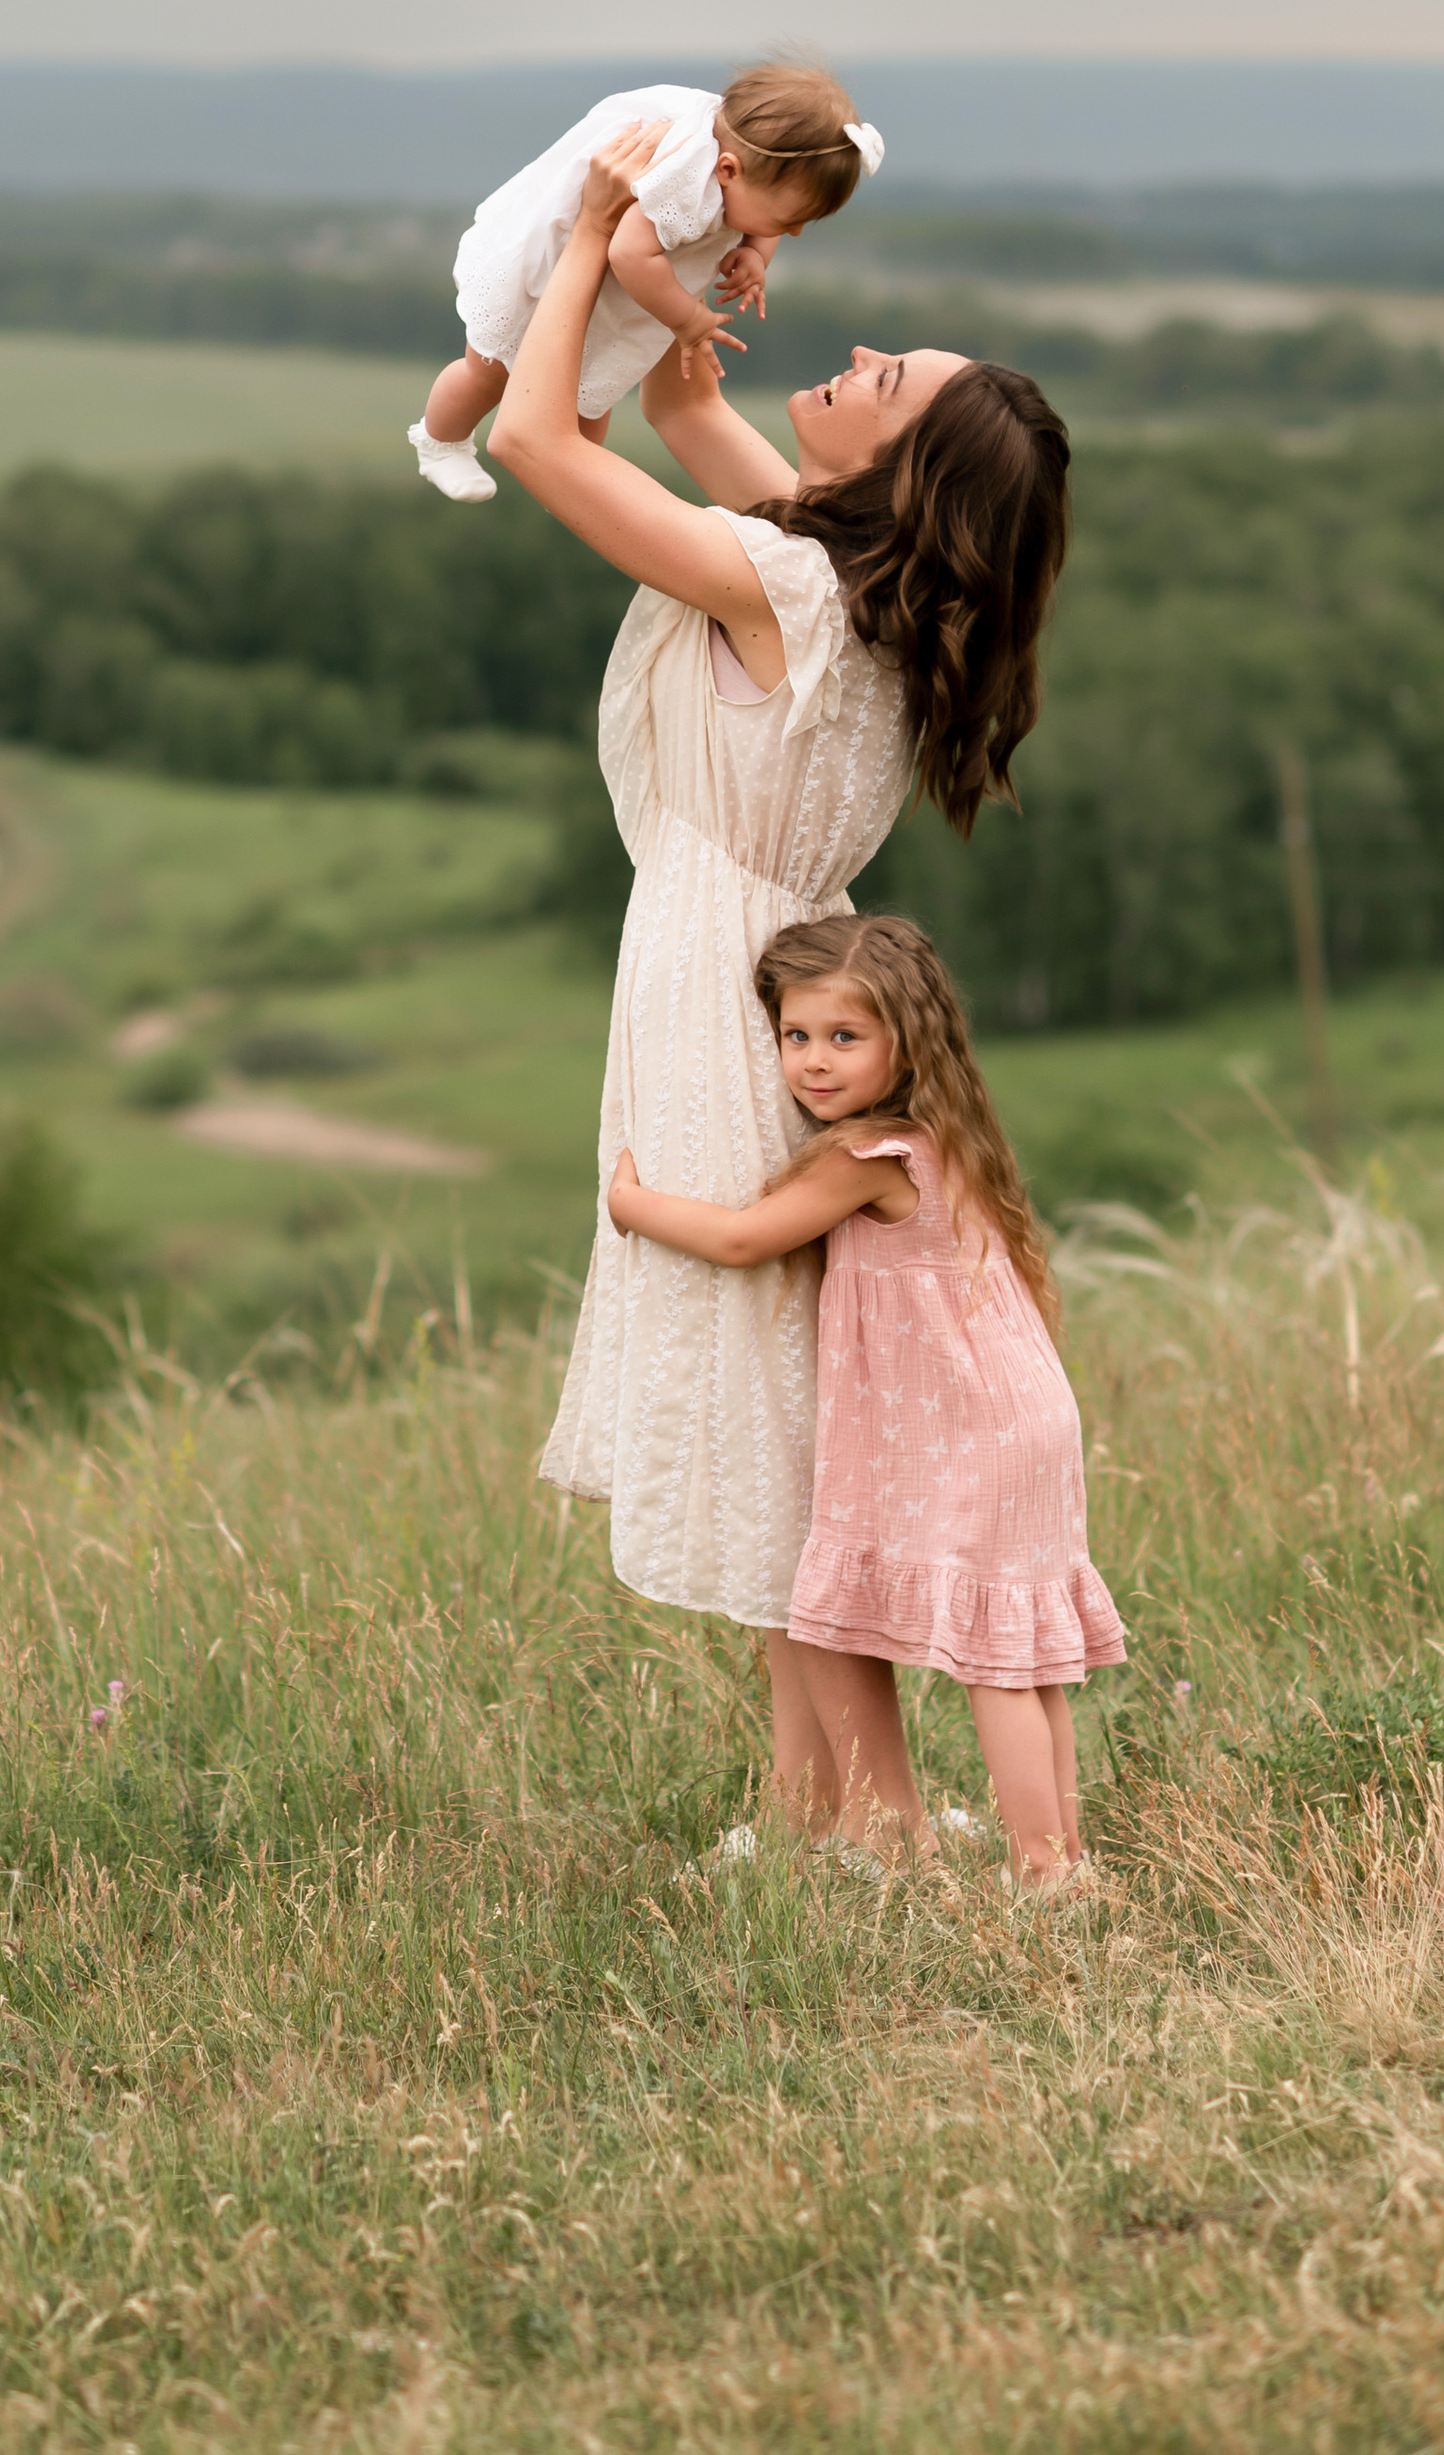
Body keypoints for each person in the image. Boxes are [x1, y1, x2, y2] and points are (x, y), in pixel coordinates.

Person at [496, 118, 1071, 1831]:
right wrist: (695, 278)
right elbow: (684, 407)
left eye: (885, 377)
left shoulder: (791, 580)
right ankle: (817, 1799)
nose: (859, 351)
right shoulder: (853, 579)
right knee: (777, 1401)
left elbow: (532, 434)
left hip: (722, 990)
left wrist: (587, 237)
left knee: (766, 1411)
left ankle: (868, 1818)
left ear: (902, 469)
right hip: (766, 959)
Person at [606, 912, 1125, 1891]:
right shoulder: (946, 1137)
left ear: (906, 1040)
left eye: (844, 1036)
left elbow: (743, 1239)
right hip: (1024, 1412)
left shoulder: (867, 1157)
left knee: (997, 1664)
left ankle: (1043, 1872)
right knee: (1025, 1658)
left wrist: (629, 1204)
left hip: (982, 1426)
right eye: (795, 1035)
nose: (813, 1060)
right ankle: (1065, 1858)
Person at [407, 60, 883, 502]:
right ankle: (440, 441)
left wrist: (756, 251)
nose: (793, 232)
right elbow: (629, 254)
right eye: (787, 220)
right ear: (727, 171)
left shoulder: (747, 165)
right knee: (487, 373)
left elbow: (760, 216)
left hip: (609, 296)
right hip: (554, 272)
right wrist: (687, 318)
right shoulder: (683, 183)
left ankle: (570, 488)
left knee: (590, 405)